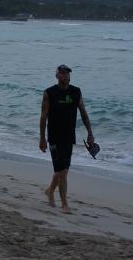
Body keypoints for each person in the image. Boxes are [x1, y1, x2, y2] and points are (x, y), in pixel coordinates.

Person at [38, 65, 95, 214]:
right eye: (62, 73)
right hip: (54, 136)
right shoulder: (49, 93)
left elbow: (83, 113)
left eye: (67, 73)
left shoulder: (76, 92)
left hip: (69, 136)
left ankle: (50, 191)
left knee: (64, 170)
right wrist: (42, 138)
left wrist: (90, 133)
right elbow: (43, 117)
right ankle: (64, 204)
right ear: (57, 76)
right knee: (62, 171)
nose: (65, 76)